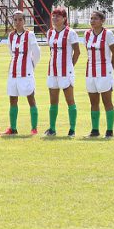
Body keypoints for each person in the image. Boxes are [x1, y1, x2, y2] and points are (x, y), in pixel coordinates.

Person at [4, 11, 41, 136]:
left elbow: (37, 53)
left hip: (26, 72)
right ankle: (13, 128)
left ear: (24, 21)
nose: (18, 22)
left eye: (20, 19)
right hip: (13, 72)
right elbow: (11, 52)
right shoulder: (11, 36)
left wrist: (31, 65)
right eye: (15, 20)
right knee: (12, 99)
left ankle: (34, 128)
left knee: (31, 98)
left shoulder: (30, 35)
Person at [45, 8, 80, 137]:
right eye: (53, 16)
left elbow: (77, 52)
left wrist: (70, 66)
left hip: (66, 71)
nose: (54, 18)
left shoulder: (71, 33)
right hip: (52, 71)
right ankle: (52, 128)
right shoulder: (50, 32)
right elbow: (52, 51)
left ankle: (72, 129)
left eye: (58, 16)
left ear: (64, 18)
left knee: (70, 100)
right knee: (53, 101)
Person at [84, 10, 114, 138]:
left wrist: (110, 69)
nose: (92, 21)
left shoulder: (108, 34)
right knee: (93, 102)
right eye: (91, 18)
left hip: (104, 72)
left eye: (95, 18)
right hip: (90, 72)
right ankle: (95, 130)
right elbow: (88, 53)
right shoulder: (87, 34)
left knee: (107, 101)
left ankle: (109, 131)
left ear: (102, 21)